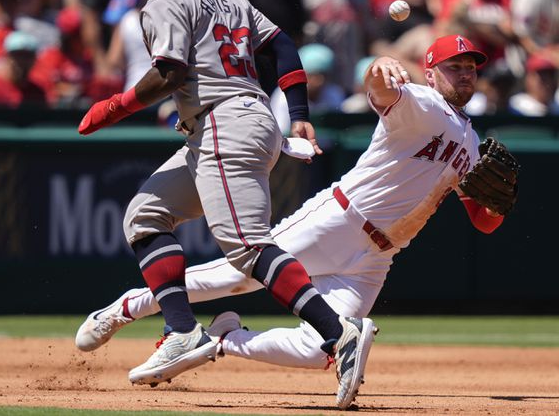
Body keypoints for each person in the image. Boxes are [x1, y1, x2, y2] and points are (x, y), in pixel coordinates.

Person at [76, 0, 375, 410]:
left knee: (247, 250)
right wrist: (297, 112)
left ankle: (335, 331)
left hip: (223, 123)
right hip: (230, 123)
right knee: (145, 216)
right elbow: (282, 45)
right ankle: (181, 330)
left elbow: (169, 73)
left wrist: (114, 106)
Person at [75, 34, 513, 377]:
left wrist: (500, 205)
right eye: (454, 67)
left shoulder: (473, 145)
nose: (466, 74)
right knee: (235, 278)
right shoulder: (422, 103)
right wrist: (379, 66)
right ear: (431, 72)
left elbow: (483, 223)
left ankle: (227, 339)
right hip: (339, 220)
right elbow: (381, 91)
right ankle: (124, 308)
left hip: (379, 255)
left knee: (321, 346)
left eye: (471, 68)